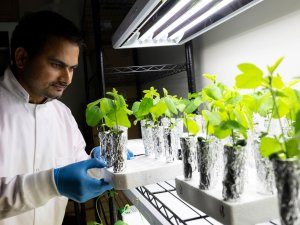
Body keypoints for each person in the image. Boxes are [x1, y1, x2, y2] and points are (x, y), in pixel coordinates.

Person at [0, 11, 113, 225]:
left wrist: (101, 165)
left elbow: (79, 167)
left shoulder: (62, 114)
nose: (67, 78)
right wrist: (52, 184)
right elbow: (58, 182)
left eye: (72, 68)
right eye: (57, 65)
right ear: (22, 57)